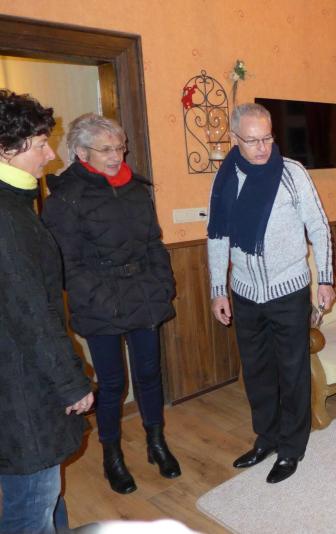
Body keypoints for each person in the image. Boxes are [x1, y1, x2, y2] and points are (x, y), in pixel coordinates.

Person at [41, 113, 180, 495]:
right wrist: (104, 299)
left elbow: (153, 243)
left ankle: (156, 443)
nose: (117, 156)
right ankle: (112, 456)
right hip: (99, 302)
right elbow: (67, 264)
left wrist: (163, 284)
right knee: (113, 383)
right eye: (106, 149)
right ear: (82, 152)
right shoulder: (66, 197)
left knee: (149, 374)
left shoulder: (135, 188)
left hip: (144, 294)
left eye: (120, 147)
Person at [207, 102, 335, 484]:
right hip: (245, 293)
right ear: (235, 139)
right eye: (253, 141)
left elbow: (319, 226)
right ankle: (266, 438)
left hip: (288, 290)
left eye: (268, 138)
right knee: (257, 372)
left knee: (293, 372)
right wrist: (218, 290)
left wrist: (325, 279)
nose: (263, 147)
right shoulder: (226, 178)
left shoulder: (292, 173)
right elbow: (217, 236)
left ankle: (292, 447)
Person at [0, 90, 94, 533]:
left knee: (46, 496)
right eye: (40, 144)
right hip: (21, 389)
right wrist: (72, 383)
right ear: (6, 149)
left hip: (20, 378)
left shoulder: (15, 206)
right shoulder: (7, 219)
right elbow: (32, 314)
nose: (51, 155)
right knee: (31, 506)